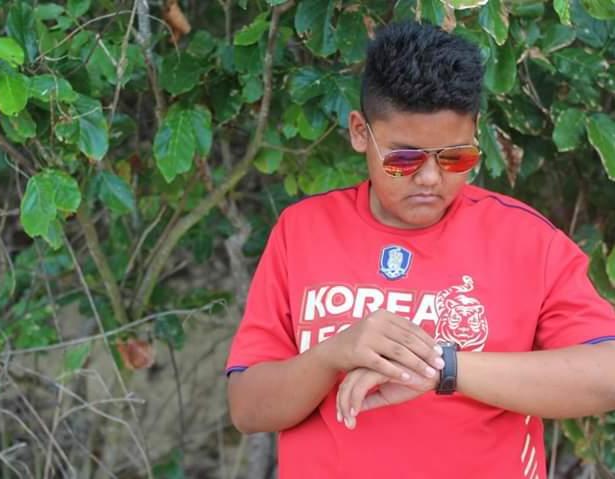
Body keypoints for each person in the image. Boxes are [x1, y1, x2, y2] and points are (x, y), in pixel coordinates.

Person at [225, 21, 615, 478]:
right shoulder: (303, 231)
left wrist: (445, 368)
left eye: (455, 157)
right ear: (360, 132)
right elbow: (248, 408)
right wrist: (333, 354)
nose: (430, 179)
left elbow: (604, 375)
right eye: (404, 158)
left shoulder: (524, 239)